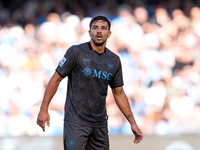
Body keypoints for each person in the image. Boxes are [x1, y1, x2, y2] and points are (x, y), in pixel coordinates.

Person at [36, 15, 143, 150]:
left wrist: (132, 122)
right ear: (89, 32)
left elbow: (119, 93)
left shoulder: (114, 60)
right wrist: (43, 109)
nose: (99, 31)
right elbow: (55, 79)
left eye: (103, 28)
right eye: (95, 28)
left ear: (109, 34)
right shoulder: (75, 52)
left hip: (100, 125)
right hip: (76, 123)